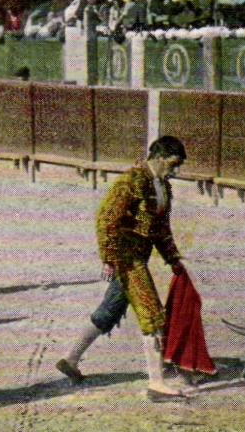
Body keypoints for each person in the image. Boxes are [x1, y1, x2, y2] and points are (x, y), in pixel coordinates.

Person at [57, 135, 192, 400]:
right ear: (159, 157)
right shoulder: (130, 181)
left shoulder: (162, 186)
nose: (175, 171)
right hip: (126, 258)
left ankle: (70, 358)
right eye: (173, 164)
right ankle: (156, 384)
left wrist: (173, 257)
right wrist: (108, 257)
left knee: (111, 310)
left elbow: (160, 228)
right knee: (152, 314)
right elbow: (106, 218)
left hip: (138, 255)